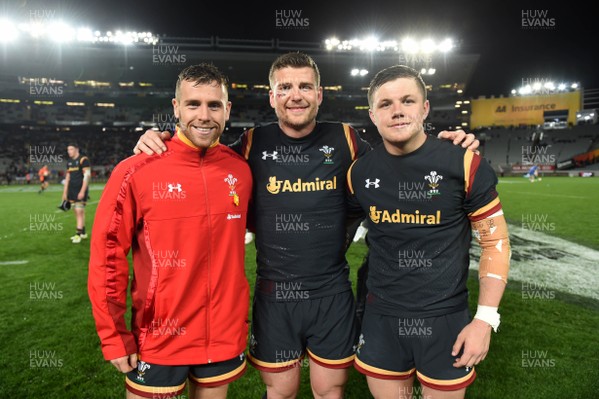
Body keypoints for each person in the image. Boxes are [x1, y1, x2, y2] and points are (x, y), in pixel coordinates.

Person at [134, 52, 480, 399]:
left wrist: (446, 146)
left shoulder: (346, 139)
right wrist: (160, 140)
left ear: (319, 94)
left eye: (305, 86)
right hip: (275, 298)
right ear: (272, 96)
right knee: (280, 391)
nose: (295, 95)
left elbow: (397, 159)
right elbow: (201, 160)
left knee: (329, 390)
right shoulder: (252, 145)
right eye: (284, 87)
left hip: (332, 295)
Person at [88, 63, 252, 399]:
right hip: (159, 337)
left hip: (223, 333)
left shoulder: (241, 169)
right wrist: (114, 336)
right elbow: (107, 257)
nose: (204, 115)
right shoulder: (135, 171)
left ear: (227, 110)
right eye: (193, 104)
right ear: (176, 107)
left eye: (214, 105)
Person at [347, 65, 511, 399]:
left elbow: (495, 242)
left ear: (425, 108)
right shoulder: (359, 173)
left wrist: (484, 320)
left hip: (445, 320)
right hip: (381, 319)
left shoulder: (464, 164)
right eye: (385, 104)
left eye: (407, 101)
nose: (397, 111)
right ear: (373, 115)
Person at [63, 143, 91, 243]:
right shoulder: (69, 162)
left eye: (71, 149)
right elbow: (68, 177)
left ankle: (78, 234)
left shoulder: (83, 160)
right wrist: (65, 192)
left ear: (76, 149)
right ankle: (83, 233)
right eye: (68, 150)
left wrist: (83, 191)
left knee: (79, 211)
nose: (69, 151)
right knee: (77, 211)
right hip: (72, 190)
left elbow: (87, 176)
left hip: (80, 190)